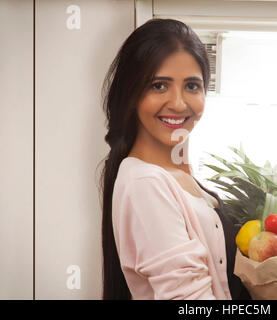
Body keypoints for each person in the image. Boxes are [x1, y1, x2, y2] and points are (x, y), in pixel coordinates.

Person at [99, 18, 251, 300]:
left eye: (192, 86)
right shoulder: (146, 183)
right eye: (159, 86)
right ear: (131, 93)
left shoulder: (177, 174)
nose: (179, 103)